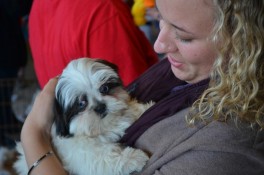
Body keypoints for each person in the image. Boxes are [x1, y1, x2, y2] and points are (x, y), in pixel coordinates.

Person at [20, 0, 264, 174]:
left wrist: (33, 137)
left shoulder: (220, 151)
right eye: (160, 19)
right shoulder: (180, 69)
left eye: (184, 36)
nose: (158, 45)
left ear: (241, 38)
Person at [28, 0, 158, 88]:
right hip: (126, 126)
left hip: (70, 125)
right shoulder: (103, 8)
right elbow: (134, 91)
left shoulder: (37, 6)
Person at [0, 0, 33, 147]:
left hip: (9, 53)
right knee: (4, 96)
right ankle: (7, 137)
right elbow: (18, 9)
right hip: (6, 53)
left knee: (5, 95)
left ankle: (10, 125)